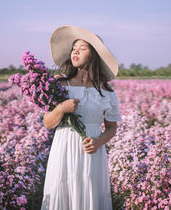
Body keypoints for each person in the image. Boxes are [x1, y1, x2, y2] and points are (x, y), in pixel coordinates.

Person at [41, 25, 122, 210]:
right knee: (63, 192)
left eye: (82, 48)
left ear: (94, 55)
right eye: (73, 48)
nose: (75, 51)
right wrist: (61, 108)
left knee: (89, 195)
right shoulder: (59, 84)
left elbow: (112, 127)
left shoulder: (106, 92)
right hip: (64, 148)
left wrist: (99, 141)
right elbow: (48, 122)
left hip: (92, 152)